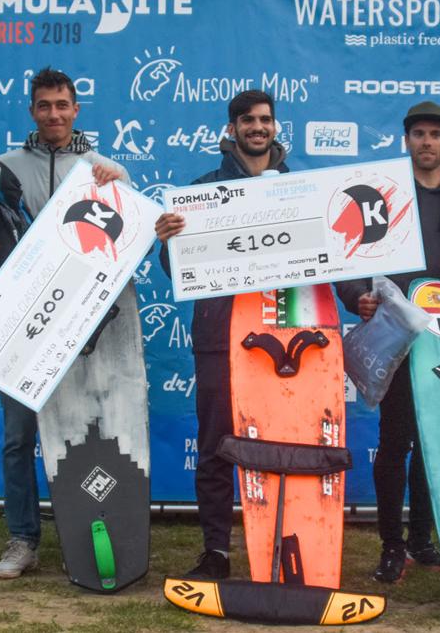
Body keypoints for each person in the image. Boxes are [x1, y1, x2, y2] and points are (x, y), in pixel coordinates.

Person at [0, 66, 130, 579]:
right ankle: (22, 540)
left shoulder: (105, 168)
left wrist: (118, 190)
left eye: (62, 105)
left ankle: (86, 532)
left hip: (83, 328)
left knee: (86, 434)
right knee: (17, 438)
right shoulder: (2, 167)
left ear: (76, 109)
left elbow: (124, 237)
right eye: (44, 105)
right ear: (32, 110)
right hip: (17, 324)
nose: (54, 114)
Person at [334, 101, 440, 583]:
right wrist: (358, 297)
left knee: (435, 448)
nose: (426, 142)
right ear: (405, 141)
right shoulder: (384, 201)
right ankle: (391, 545)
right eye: (418, 134)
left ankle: (424, 540)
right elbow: (349, 263)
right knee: (394, 444)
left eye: (435, 135)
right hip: (397, 344)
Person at [154, 90, 287, 580]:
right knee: (215, 446)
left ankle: (280, 545)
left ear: (275, 127)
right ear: (231, 129)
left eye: (265, 120)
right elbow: (177, 270)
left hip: (283, 337)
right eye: (248, 120)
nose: (258, 127)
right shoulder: (203, 191)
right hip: (219, 335)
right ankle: (216, 551)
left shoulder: (299, 188)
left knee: (280, 445)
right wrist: (169, 241)